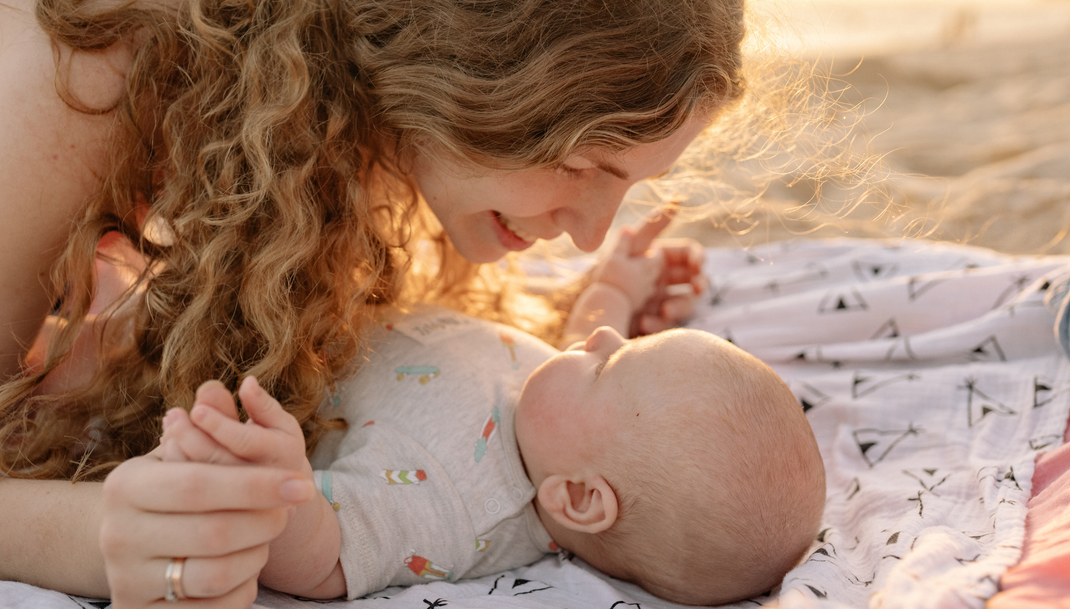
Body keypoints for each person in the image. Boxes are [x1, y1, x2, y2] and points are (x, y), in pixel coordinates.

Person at [0, 0, 746, 606]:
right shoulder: (81, 68)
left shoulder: (344, 119)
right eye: (577, 164)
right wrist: (102, 532)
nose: (590, 237)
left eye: (630, 184)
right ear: (462, 69)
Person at [159, 223, 826, 605]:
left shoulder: (456, 504)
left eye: (610, 364)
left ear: (580, 497)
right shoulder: (559, 414)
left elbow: (332, 557)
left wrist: (277, 488)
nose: (600, 340)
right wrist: (617, 287)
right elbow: (588, 331)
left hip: (231, 355)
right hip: (304, 295)